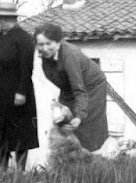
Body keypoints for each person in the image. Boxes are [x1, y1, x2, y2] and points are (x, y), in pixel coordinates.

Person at [34, 23, 109, 151]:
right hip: (69, 89)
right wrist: (59, 105)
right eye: (41, 44)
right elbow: (60, 82)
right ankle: (69, 163)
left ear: (58, 43)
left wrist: (79, 116)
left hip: (92, 88)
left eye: (49, 43)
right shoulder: (45, 58)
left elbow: (79, 90)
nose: (45, 48)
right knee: (64, 124)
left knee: (84, 127)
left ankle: (88, 163)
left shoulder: (70, 55)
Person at [0, 2, 39, 170]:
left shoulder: (23, 38)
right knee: (1, 136)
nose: (3, 21)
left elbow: (27, 68)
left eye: (7, 18)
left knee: (20, 137)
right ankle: (1, 174)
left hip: (18, 96)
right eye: (0, 18)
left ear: (14, 18)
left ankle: (20, 173)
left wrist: (21, 92)